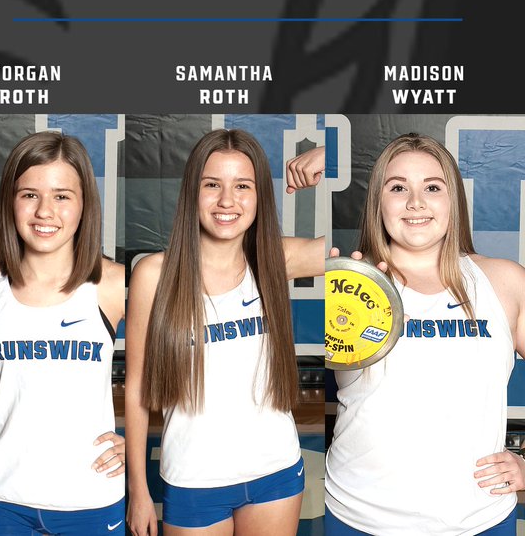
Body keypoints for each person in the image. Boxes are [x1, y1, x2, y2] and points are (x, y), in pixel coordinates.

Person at [0, 131, 127, 536]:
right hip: (2, 497)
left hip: (89, 498)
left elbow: (196, 342)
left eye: (62, 196)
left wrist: (136, 441)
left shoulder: (113, 283)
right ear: (10, 202)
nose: (44, 211)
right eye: (29, 194)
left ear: (85, 204)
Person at [125, 129, 324, 536]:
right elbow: (137, 388)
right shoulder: (155, 274)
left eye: (243, 186)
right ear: (191, 192)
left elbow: (368, 247)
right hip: (194, 479)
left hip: (276, 472)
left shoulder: (273, 258)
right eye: (212, 184)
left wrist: (328, 154)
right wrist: (139, 491)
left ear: (259, 196)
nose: (227, 201)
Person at [325, 133, 525, 535]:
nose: (416, 202)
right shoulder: (346, 287)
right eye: (398, 187)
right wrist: (341, 287)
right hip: (359, 519)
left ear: (453, 201)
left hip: (477, 521)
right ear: (378, 203)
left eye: (432, 187)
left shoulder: (503, 282)